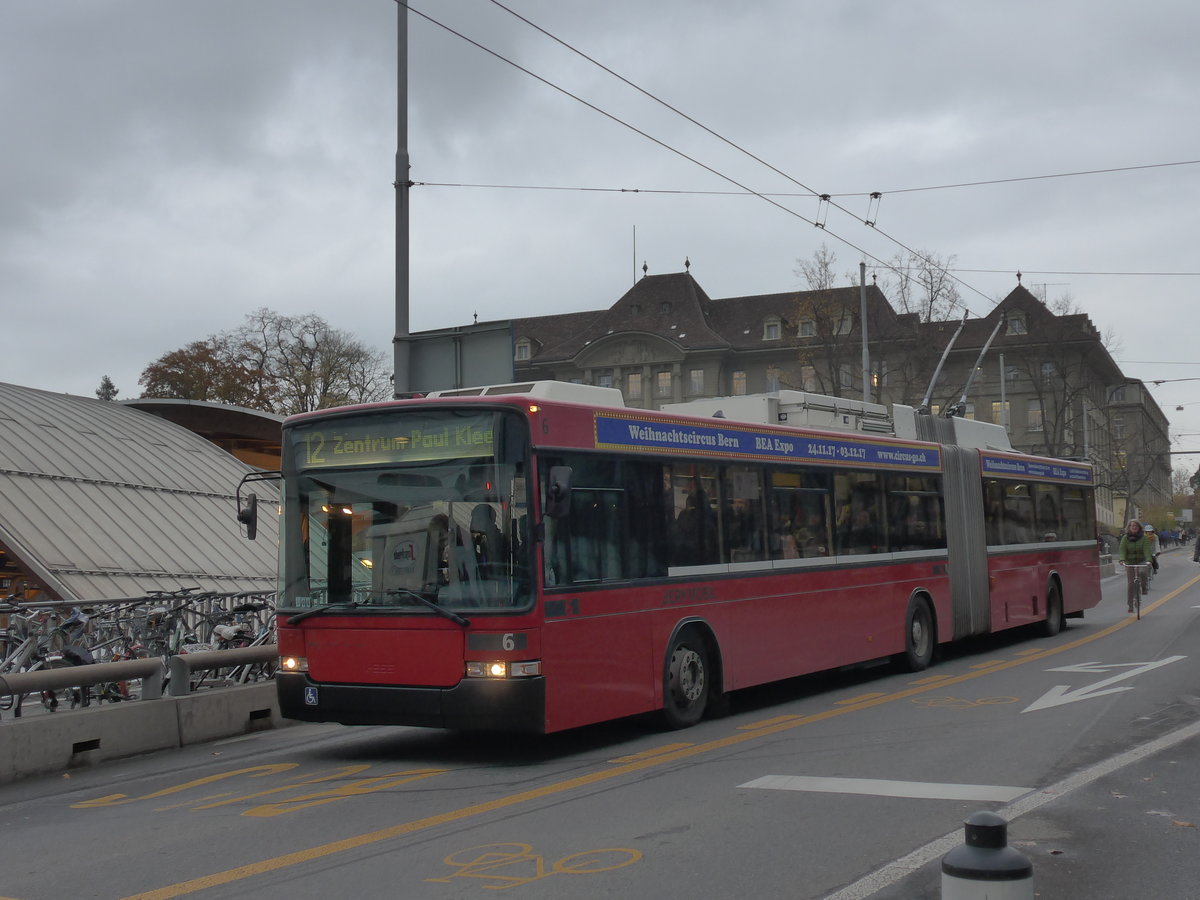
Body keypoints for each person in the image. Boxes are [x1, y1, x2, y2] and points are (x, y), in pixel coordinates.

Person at [1118, 520, 1152, 613]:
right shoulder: (1125, 538)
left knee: (1142, 572)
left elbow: (1147, 550)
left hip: (1141, 560)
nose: (1134, 527)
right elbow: (1122, 550)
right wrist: (1122, 559)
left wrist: (1148, 560)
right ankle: (1130, 605)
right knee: (1130, 583)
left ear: (1139, 528)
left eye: (1136, 526)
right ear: (1129, 528)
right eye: (1132, 526)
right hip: (1129, 562)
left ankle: (1144, 587)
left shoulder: (1144, 538)